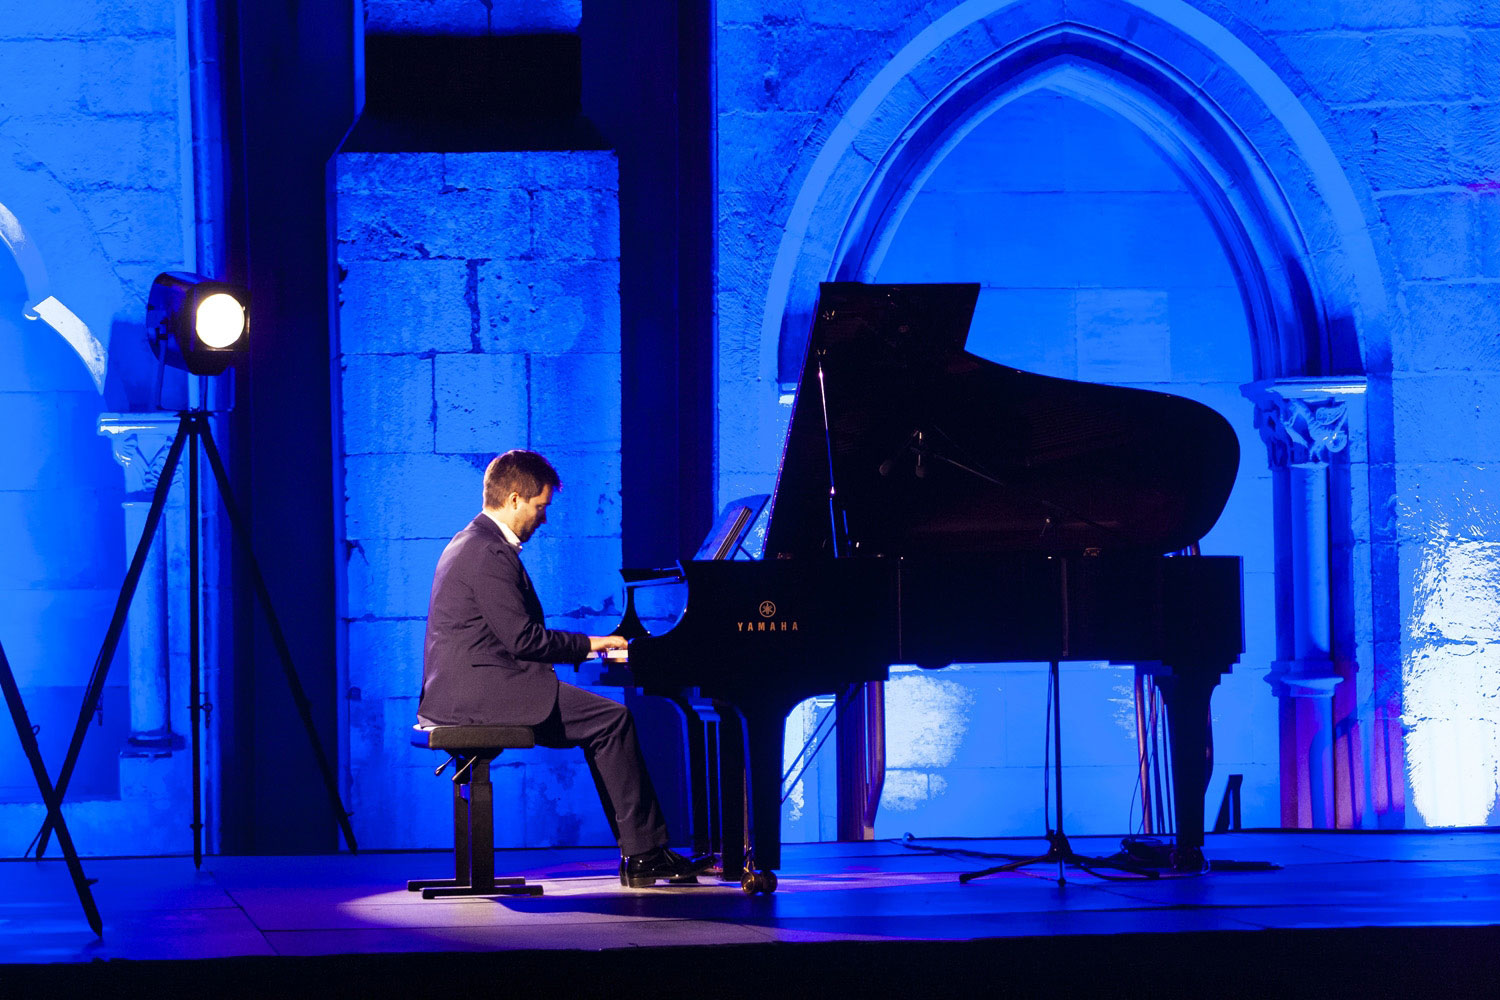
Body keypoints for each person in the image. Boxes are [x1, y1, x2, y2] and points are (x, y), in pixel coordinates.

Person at [418, 449, 710, 887]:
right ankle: (644, 855)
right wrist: (591, 644)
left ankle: (641, 852)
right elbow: (524, 640)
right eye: (540, 507)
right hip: (481, 696)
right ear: (513, 499)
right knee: (612, 721)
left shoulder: (472, 542)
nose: (544, 518)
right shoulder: (487, 552)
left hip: (467, 690)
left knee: (603, 723)